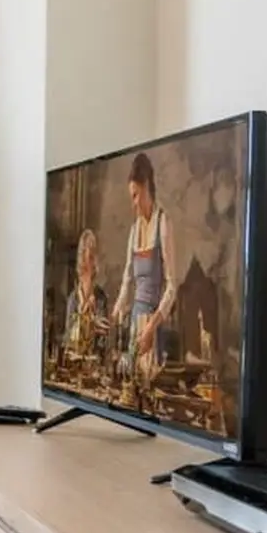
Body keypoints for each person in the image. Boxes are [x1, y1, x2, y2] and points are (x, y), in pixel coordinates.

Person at [110, 151, 179, 375]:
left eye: (136, 195)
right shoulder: (134, 230)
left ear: (147, 185)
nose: (134, 203)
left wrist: (151, 326)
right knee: (130, 379)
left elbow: (172, 286)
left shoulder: (163, 223)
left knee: (148, 382)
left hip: (153, 323)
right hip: (135, 323)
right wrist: (118, 309)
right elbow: (127, 279)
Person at [62, 229, 108, 353]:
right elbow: (67, 340)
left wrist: (95, 326)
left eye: (93, 256)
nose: (92, 261)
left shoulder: (100, 298)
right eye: (88, 255)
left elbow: (103, 340)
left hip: (94, 361)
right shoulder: (73, 299)